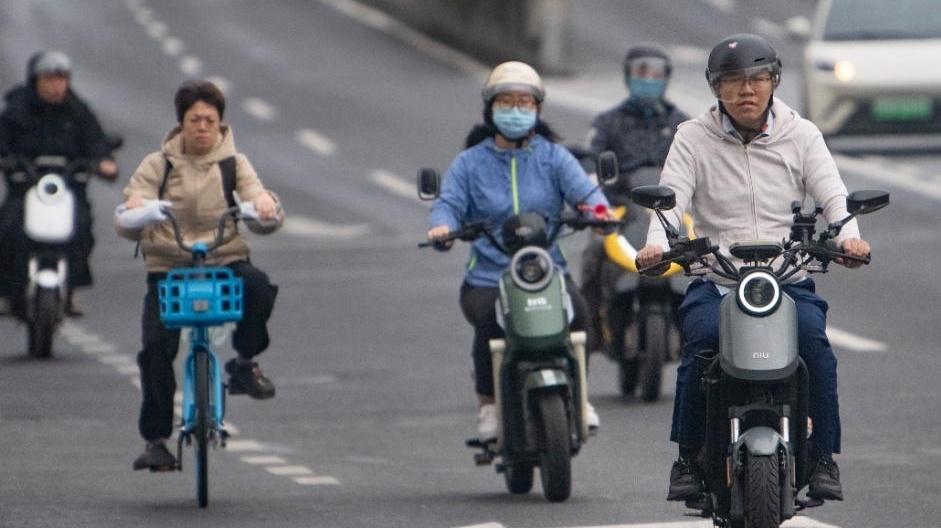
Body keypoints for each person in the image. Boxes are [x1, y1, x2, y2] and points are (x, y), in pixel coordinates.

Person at [635, 34, 871, 503]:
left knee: (815, 347)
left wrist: (848, 237)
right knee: (700, 343)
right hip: (717, 278)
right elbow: (668, 201)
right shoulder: (692, 137)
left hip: (786, 279)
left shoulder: (801, 134)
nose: (747, 90)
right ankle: (687, 456)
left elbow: (833, 196)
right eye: (733, 81)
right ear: (714, 87)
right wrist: (655, 246)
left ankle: (824, 455)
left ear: (775, 81)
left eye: (758, 78)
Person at [427, 61, 609, 442]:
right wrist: (442, 227)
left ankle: (581, 397)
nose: (515, 110)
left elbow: (587, 194)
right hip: (488, 277)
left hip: (547, 273)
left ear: (537, 109)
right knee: (491, 322)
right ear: (490, 109)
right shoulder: (470, 162)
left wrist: (598, 213)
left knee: (579, 315)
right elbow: (448, 203)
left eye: (523, 103)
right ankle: (489, 406)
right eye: (506, 102)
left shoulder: (554, 157)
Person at [115, 80, 283, 470]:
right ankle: (156, 439)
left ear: (221, 123)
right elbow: (127, 217)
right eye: (195, 120)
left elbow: (259, 200)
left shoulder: (234, 164)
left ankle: (244, 362)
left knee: (257, 286)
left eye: (210, 120)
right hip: (169, 267)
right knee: (155, 349)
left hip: (222, 259)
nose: (203, 128)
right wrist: (137, 207)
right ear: (181, 124)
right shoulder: (157, 165)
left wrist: (265, 205)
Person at [579, 42, 689, 356]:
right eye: (641, 71)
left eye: (656, 73)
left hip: (675, 214)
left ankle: (703, 339)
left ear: (666, 78)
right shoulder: (606, 123)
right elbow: (589, 161)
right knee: (592, 258)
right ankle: (591, 333)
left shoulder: (682, 123)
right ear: (627, 76)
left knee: (707, 262)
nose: (649, 78)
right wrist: (591, 190)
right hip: (620, 210)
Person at [0, 50, 119, 316]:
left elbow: (96, 142)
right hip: (25, 189)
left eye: (61, 79)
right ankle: (7, 291)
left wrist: (103, 162)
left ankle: (72, 287)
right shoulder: (17, 110)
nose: (56, 86)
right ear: (35, 80)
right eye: (49, 79)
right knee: (8, 227)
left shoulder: (78, 111)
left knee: (82, 226)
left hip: (69, 190)